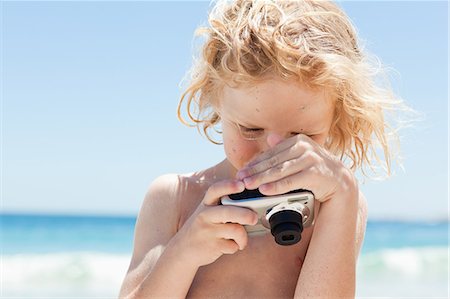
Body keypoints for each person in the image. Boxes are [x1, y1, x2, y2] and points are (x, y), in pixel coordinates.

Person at [119, 0, 407, 297]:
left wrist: (344, 192)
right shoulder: (174, 199)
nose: (274, 151)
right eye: (251, 129)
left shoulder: (336, 204)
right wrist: (184, 252)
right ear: (214, 101)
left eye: (302, 134)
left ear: (338, 118)